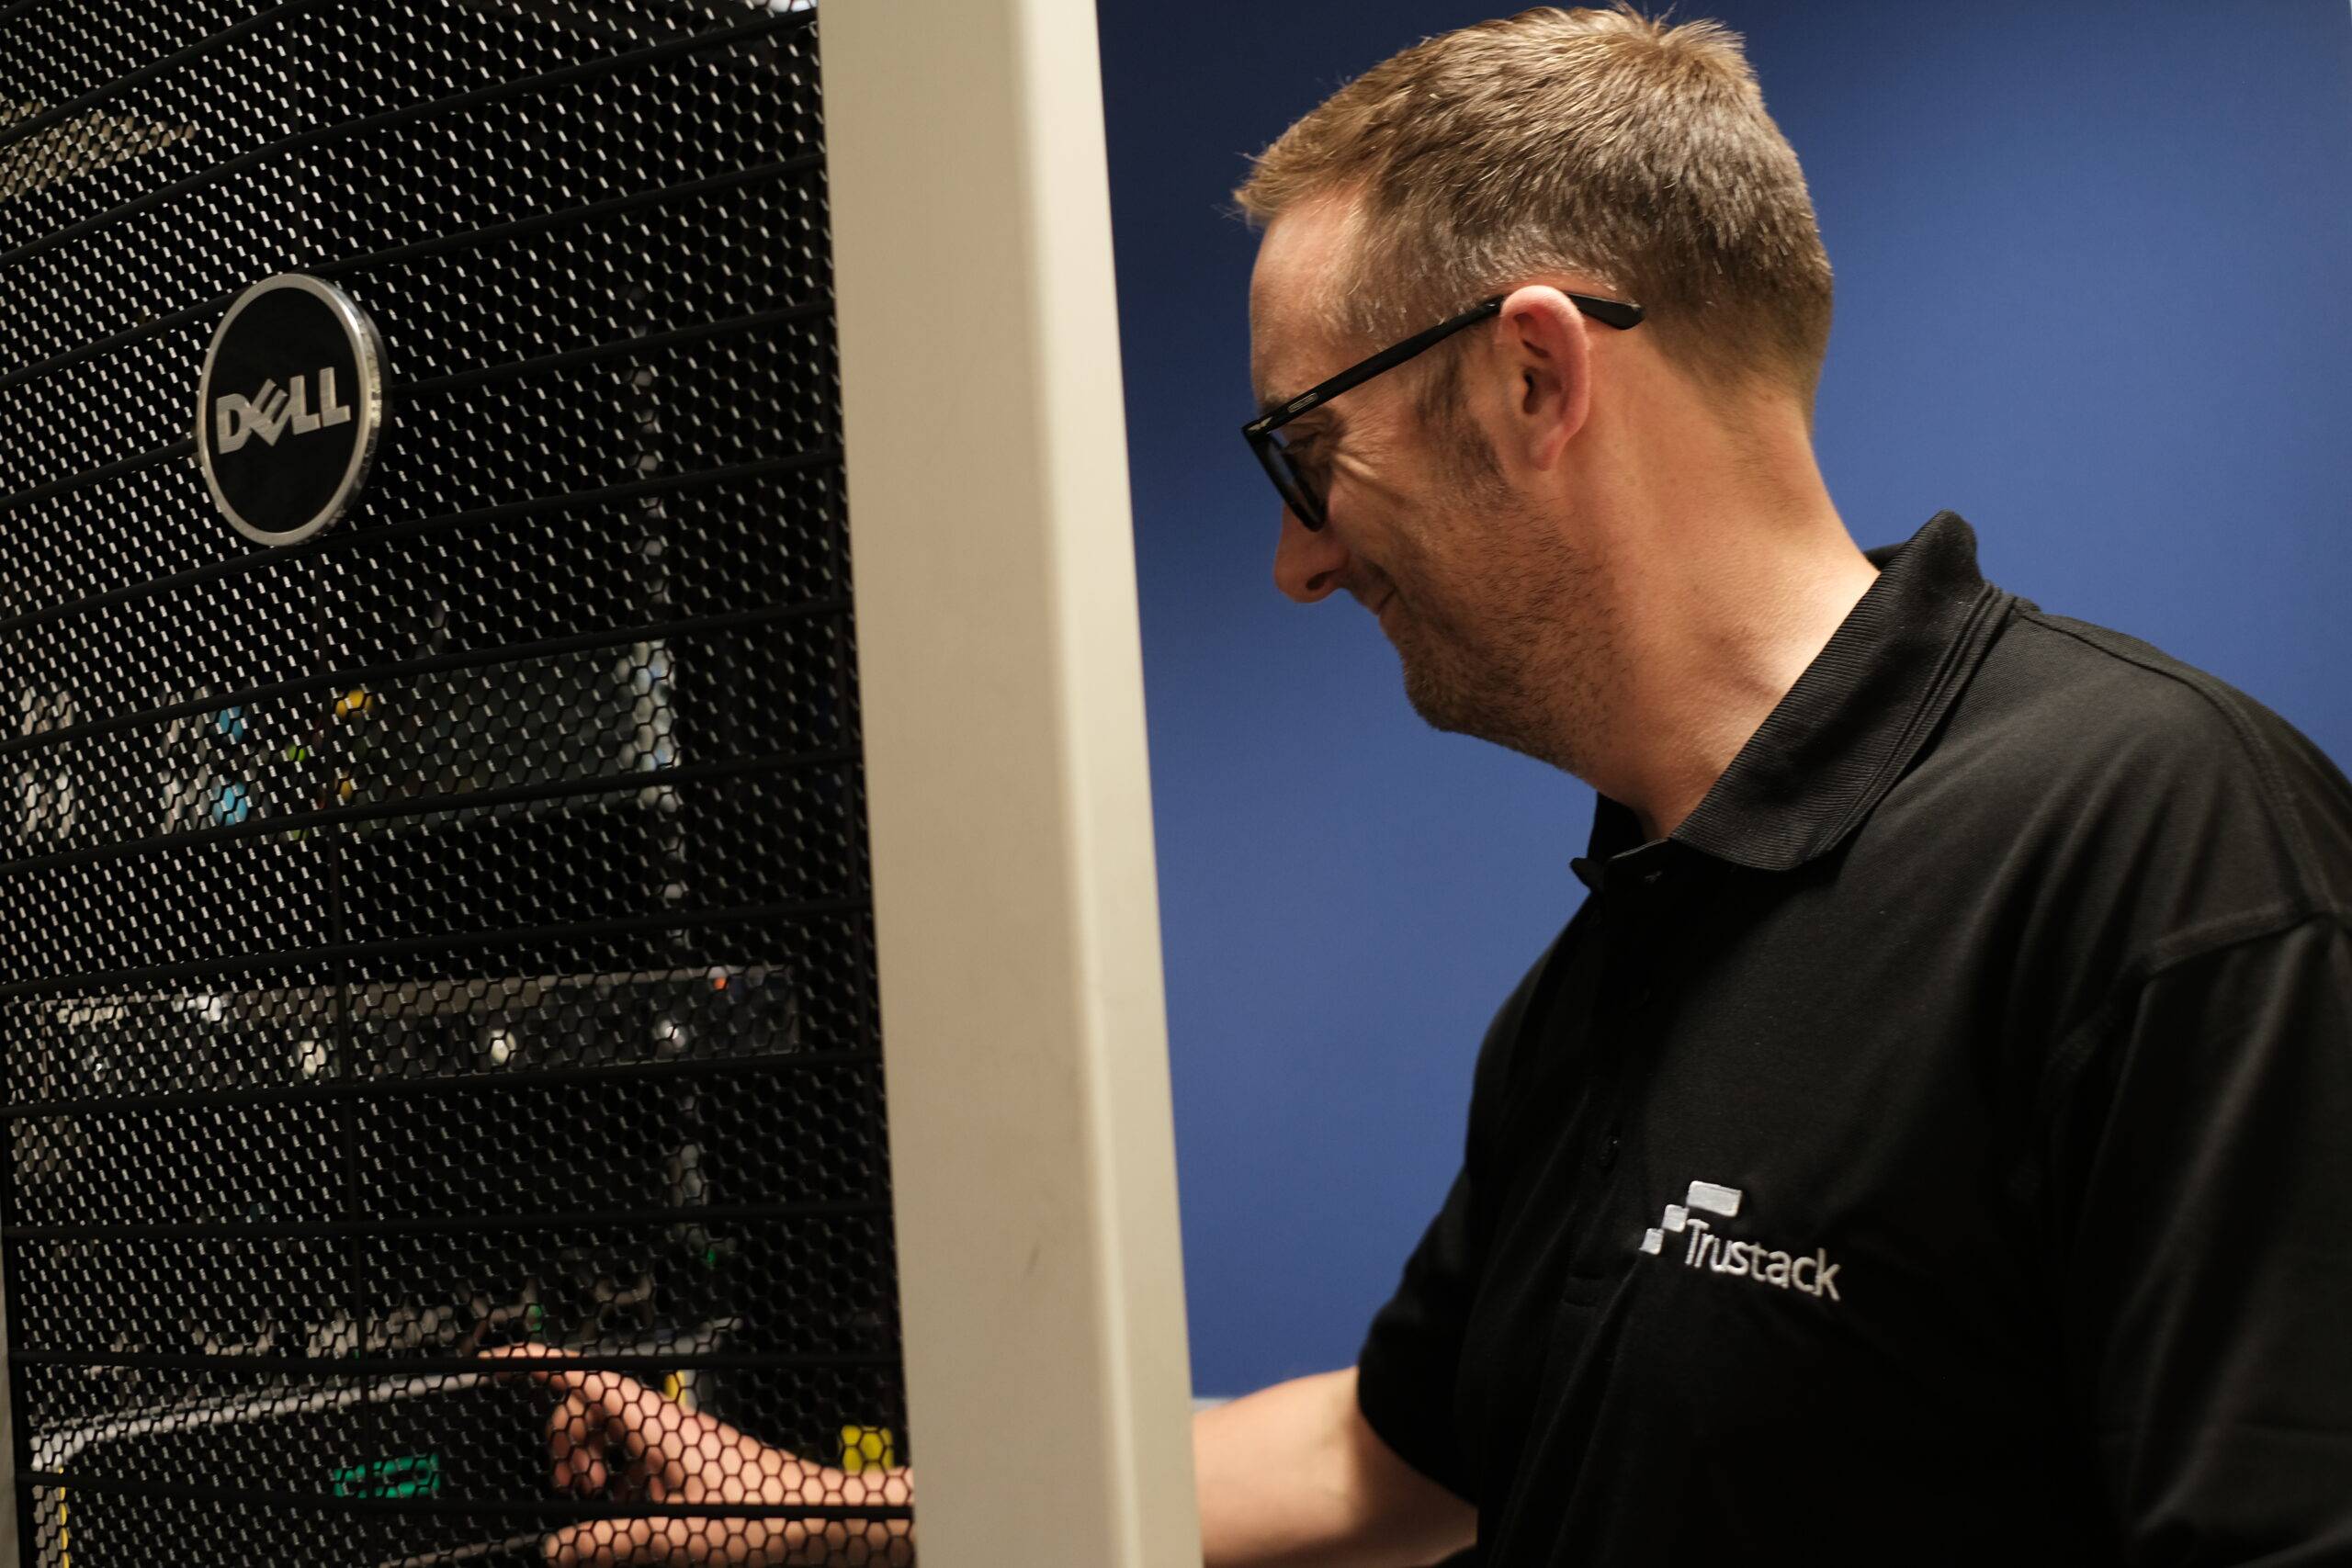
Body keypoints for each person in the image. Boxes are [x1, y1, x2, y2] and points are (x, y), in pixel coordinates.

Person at [503, 4, 2352, 1562]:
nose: (1299, 562)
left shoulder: (2165, 858)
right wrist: (831, 1508)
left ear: (1534, 376)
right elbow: (1386, 1454)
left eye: (1308, 454)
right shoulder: (1615, 960)